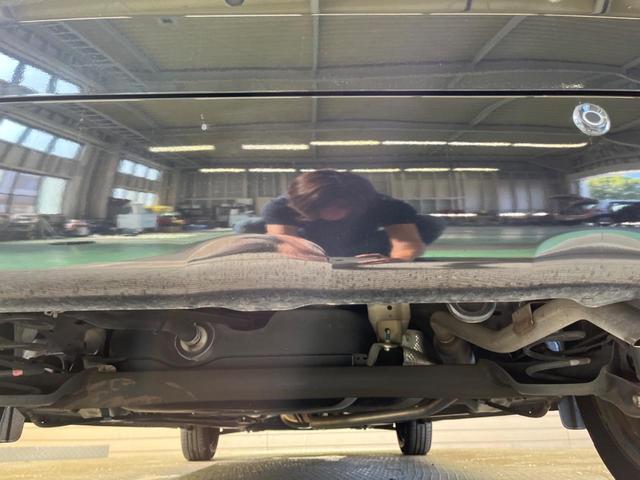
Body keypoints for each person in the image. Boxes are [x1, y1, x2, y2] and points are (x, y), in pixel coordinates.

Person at [234, 170, 445, 261]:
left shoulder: (382, 204)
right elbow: (287, 244)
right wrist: (308, 259)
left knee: (431, 224)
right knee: (247, 227)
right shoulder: (282, 206)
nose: (334, 211)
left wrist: (397, 261)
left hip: (361, 243)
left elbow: (407, 244)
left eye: (343, 206)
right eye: (325, 206)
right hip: (309, 241)